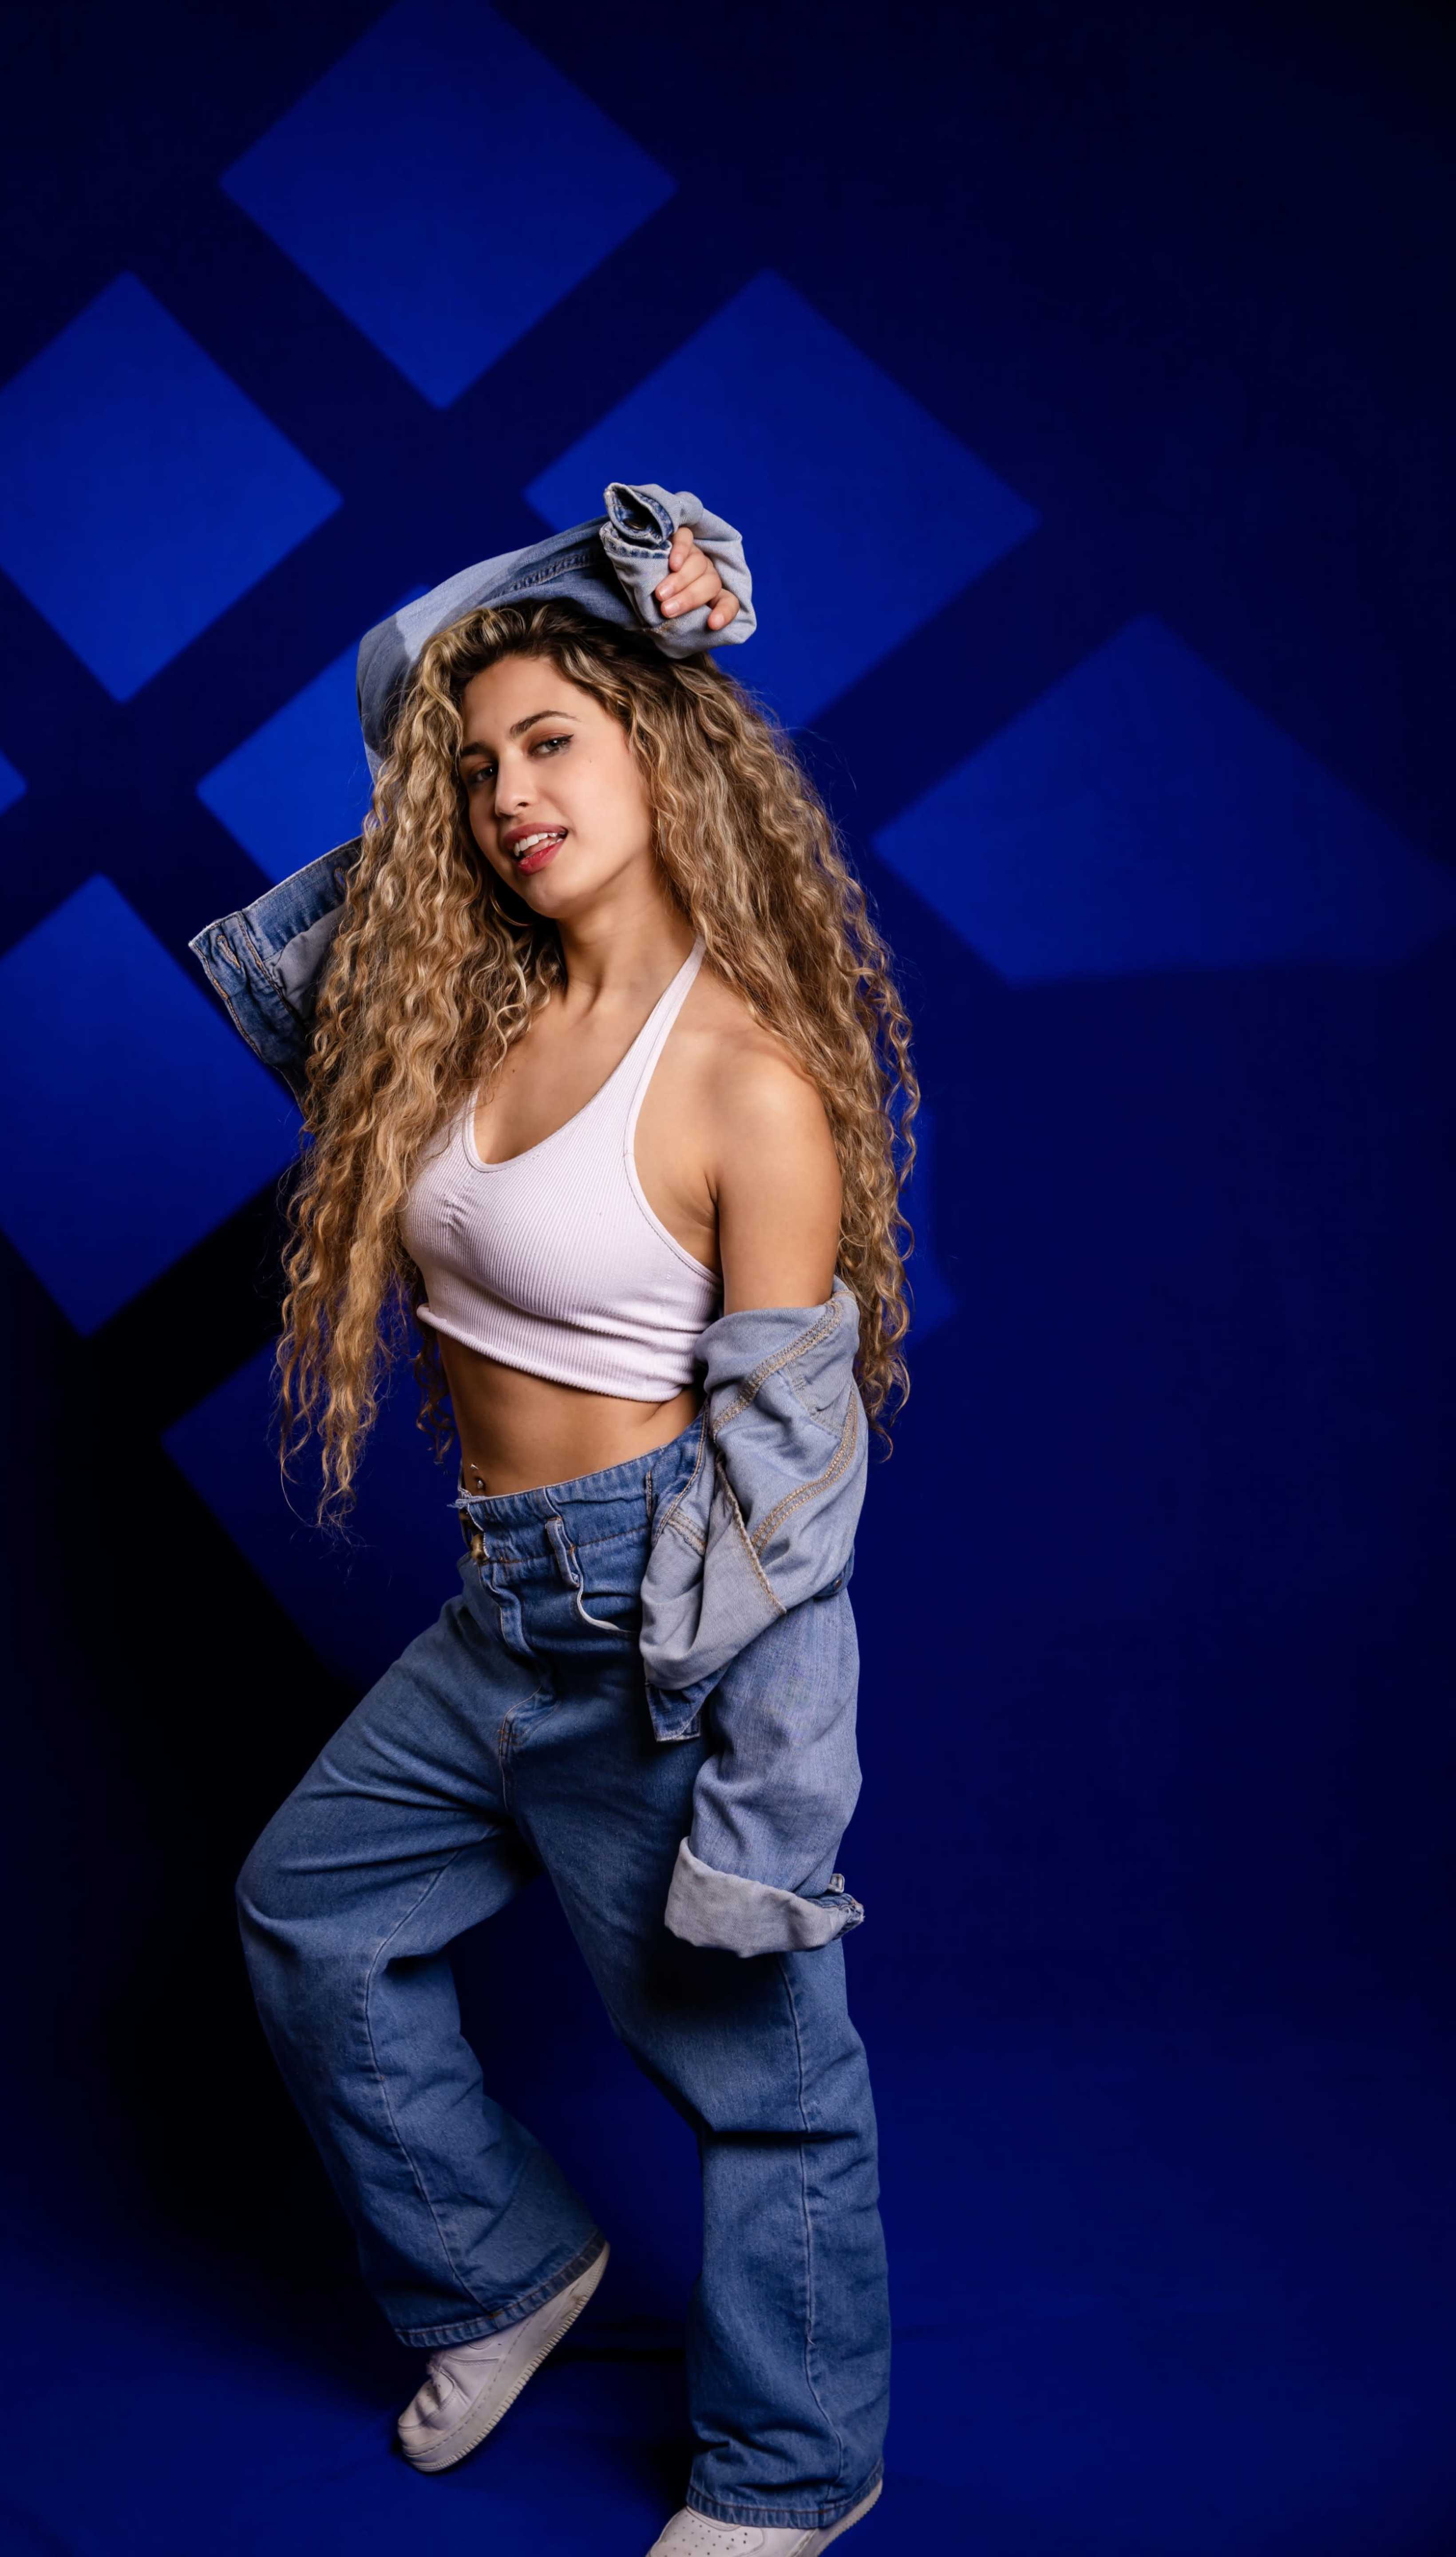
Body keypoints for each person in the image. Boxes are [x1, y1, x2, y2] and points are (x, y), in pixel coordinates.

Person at [191, 485, 917, 2554]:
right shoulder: (459, 1013)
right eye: (481, 762)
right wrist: (461, 731)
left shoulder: (748, 1081)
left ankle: (795, 2470)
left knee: (766, 2078)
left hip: (659, 1617)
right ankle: (505, 2268)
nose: (512, 795)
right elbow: (383, 822)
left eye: (558, 741)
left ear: (660, 746)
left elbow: (793, 1489)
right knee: (308, 1913)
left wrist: (766, 1809)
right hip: (495, 1609)